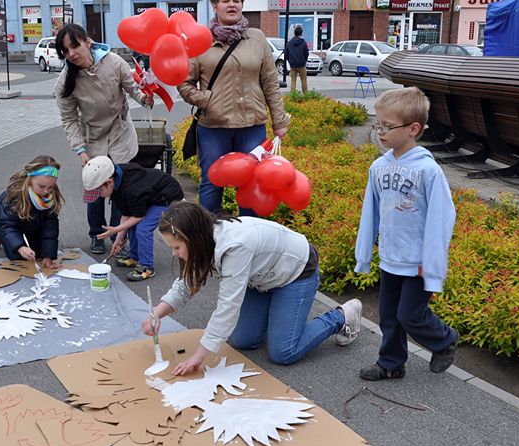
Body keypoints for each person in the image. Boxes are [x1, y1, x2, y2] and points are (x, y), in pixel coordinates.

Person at [141, 201, 362, 375]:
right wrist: (157, 313)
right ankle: (279, 315)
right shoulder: (203, 242)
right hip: (261, 278)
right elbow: (185, 284)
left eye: (176, 247)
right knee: (244, 340)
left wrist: (198, 356)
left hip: (295, 272)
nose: (174, 253)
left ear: (193, 238)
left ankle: (342, 316)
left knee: (283, 352)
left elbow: (228, 306)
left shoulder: (235, 246)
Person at [354, 87, 459, 381]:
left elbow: (441, 218)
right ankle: (390, 364)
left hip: (418, 261)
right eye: (378, 124)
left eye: (387, 126)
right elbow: (370, 213)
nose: (380, 132)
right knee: (388, 315)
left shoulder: (429, 171)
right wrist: (365, 254)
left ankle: (445, 339)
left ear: (413, 129)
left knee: (409, 315)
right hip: (391, 257)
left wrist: (432, 262)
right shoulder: (379, 167)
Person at [178, 0, 291, 216]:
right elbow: (184, 83)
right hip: (213, 126)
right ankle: (209, 238)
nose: (232, 5)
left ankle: (248, 238)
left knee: (252, 181)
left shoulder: (257, 38)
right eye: (225, 0)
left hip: (252, 125)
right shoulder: (200, 41)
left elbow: (270, 82)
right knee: (212, 181)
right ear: (215, 6)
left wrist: (279, 121)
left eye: (236, 0)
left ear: (242, 5)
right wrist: (205, 100)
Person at [54, 23, 153, 255]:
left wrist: (145, 98)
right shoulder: (66, 81)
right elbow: (69, 119)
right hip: (93, 138)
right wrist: (80, 150)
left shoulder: (114, 62)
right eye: (66, 51)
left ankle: (120, 236)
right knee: (95, 191)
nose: (72, 54)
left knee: (121, 189)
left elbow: (133, 89)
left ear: (87, 42)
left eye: (75, 46)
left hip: (120, 134)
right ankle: (96, 234)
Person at [82, 156, 183, 281]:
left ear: (109, 182)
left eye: (98, 192)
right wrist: (118, 239)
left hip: (166, 197)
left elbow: (138, 216)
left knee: (143, 228)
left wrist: (116, 230)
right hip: (148, 196)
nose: (98, 196)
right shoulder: (118, 182)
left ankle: (147, 266)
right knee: (132, 225)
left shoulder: (131, 190)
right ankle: (134, 257)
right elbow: (127, 214)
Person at [0, 155, 64, 269]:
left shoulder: (50, 197)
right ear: (30, 180)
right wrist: (20, 247)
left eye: (51, 187)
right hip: (2, 222)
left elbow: (50, 228)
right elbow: (7, 226)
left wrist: (48, 256)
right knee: (17, 255)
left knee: (37, 253)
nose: (46, 191)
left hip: (32, 223)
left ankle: (23, 240)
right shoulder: (15, 197)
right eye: (41, 186)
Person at [286, 26, 309, 94]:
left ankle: (293, 95)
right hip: (302, 65)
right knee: (303, 80)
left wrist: (290, 61)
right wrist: (305, 60)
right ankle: (306, 95)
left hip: (292, 65)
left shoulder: (289, 43)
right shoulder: (304, 42)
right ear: (301, 34)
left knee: (293, 81)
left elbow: (286, 53)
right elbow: (306, 53)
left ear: (294, 33)